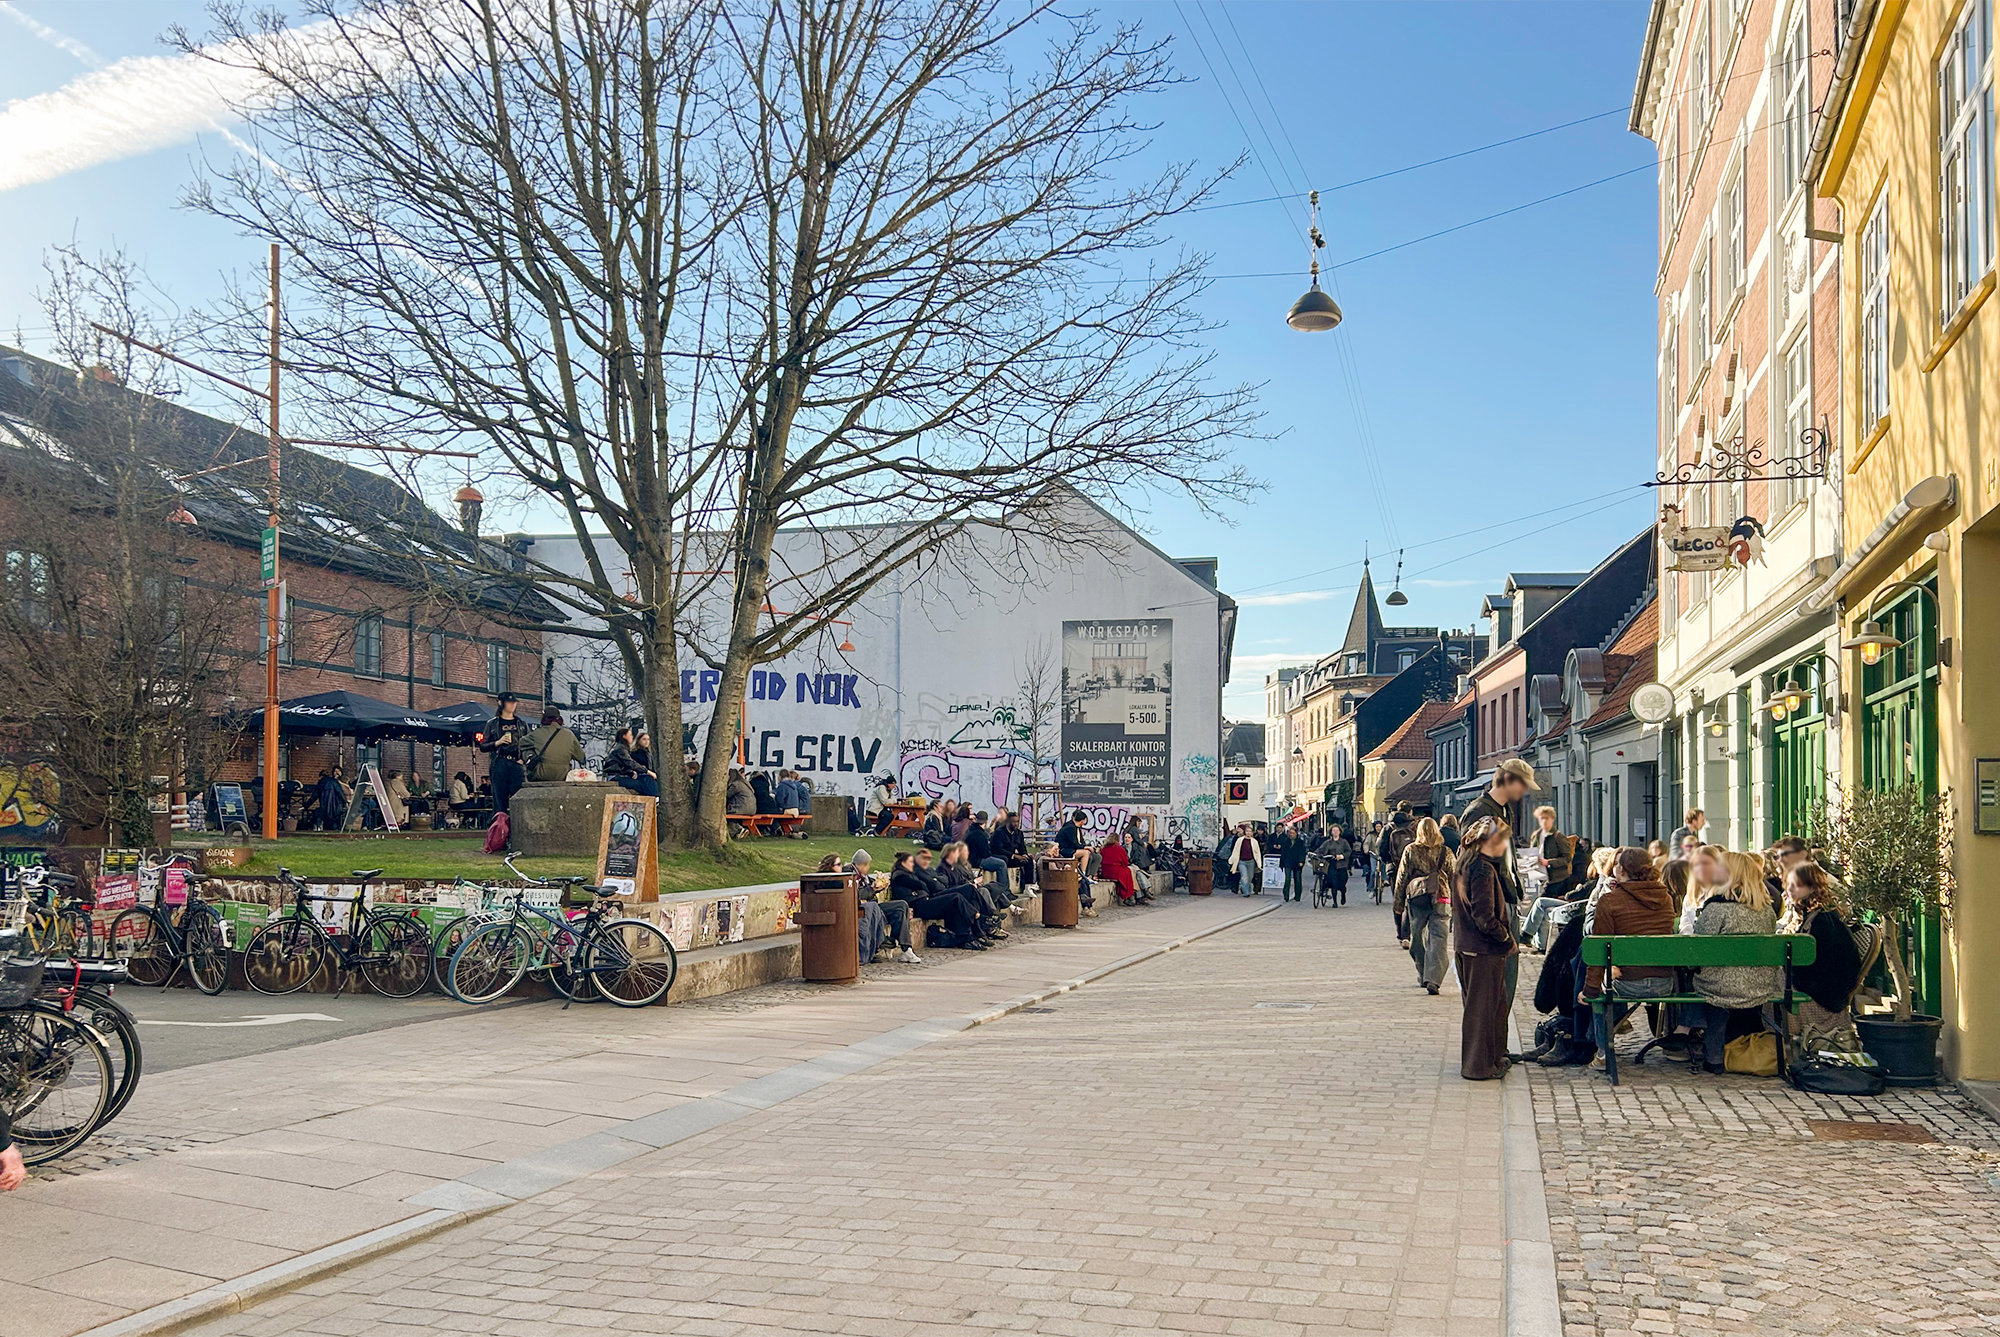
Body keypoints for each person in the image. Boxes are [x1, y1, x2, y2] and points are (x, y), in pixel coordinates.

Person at [1578, 848, 1679, 1068]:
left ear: (1621, 870)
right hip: (1664, 983)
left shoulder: (1609, 901)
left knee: (1603, 989)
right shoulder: (1666, 898)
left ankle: (1603, 1053)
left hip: (1627, 984)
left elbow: (1599, 950)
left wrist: (1590, 991)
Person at [1689, 849, 1782, 1074]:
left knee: (1698, 984)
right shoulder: (1766, 911)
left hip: (1720, 988)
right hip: (1760, 985)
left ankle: (1711, 1055)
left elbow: (1698, 950)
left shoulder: (1716, 909)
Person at [1462, 758, 1537, 1008]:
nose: (1524, 791)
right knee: (1494, 981)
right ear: (1507, 780)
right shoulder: (1479, 811)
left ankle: (1500, 1028)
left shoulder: (1504, 810)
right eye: (1522, 784)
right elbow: (1470, 862)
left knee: (1507, 976)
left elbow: (1506, 858)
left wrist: (1516, 889)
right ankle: (1494, 1030)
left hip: (1507, 896)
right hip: (1492, 901)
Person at [1779, 860, 1868, 1055]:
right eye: (1788, 884)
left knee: (1773, 982)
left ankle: (1769, 1043)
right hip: (1829, 992)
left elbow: (1815, 969)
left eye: (1795, 885)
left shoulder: (1821, 922)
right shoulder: (1821, 915)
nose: (1790, 890)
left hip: (1823, 997)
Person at [1454, 816, 1518, 1080]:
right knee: (1482, 1011)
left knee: (1488, 1008)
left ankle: (1491, 1059)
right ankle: (1478, 1067)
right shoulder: (1481, 869)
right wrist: (1506, 938)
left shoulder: (1464, 864)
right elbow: (1484, 917)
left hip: (1468, 945)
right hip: (1483, 949)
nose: (1504, 846)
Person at [1395, 817, 1453, 994]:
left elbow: (1402, 877)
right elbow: (1455, 877)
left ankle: (1424, 974)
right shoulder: (1446, 852)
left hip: (1417, 898)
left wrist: (1398, 904)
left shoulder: (1411, 850)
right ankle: (1433, 978)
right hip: (1441, 896)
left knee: (1417, 938)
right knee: (1439, 938)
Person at [888, 850, 985, 950]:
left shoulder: (909, 874)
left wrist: (926, 884)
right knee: (956, 897)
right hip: (920, 906)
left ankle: (965, 938)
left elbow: (928, 884)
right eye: (911, 862)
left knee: (957, 903)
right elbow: (920, 884)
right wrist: (924, 884)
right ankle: (977, 916)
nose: (913, 864)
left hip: (925, 900)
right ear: (903, 863)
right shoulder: (900, 875)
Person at [845, 850, 919, 964]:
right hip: (864, 910)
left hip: (873, 907)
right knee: (899, 909)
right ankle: (890, 942)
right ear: (862, 864)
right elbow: (857, 895)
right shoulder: (850, 875)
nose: (869, 868)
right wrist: (873, 889)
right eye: (868, 865)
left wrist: (881, 885)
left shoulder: (863, 876)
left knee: (902, 905)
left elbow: (870, 889)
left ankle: (905, 948)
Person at [476, 692, 529, 817]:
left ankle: (518, 824)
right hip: (500, 762)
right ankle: (500, 825)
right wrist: (497, 743)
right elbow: (483, 746)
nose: (512, 705)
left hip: (516, 763)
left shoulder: (521, 724)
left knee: (518, 798)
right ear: (500, 703)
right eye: (509, 702)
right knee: (499, 800)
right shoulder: (493, 724)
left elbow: (529, 744)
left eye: (514, 703)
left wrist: (523, 759)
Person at [938, 842, 1008, 935]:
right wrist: (973, 883)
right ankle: (991, 915)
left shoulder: (954, 867)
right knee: (982, 891)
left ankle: (986, 927)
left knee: (985, 892)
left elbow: (962, 881)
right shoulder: (943, 868)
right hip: (953, 895)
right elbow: (947, 886)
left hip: (967, 890)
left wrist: (973, 883)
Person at [1379, 806, 1416, 931]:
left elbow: (1381, 848)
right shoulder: (1414, 826)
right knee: (1412, 897)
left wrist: (1388, 861)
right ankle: (1410, 928)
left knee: (1398, 899)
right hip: (1412, 868)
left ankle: (1400, 930)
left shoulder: (1388, 828)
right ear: (1410, 811)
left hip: (1394, 868)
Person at [523, 708, 587, 782]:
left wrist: (529, 756)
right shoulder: (569, 734)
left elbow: (520, 744)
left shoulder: (536, 734)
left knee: (527, 749)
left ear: (543, 719)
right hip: (562, 776)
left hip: (540, 775)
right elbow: (581, 757)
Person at [601, 728, 660, 797]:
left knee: (646, 783)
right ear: (624, 736)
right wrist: (647, 771)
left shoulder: (623, 748)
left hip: (618, 775)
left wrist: (630, 772)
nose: (632, 737)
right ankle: (654, 798)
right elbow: (630, 763)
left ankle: (654, 797)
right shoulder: (620, 749)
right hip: (615, 777)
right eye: (630, 735)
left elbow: (623, 765)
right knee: (642, 784)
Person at [1313, 825, 1352, 905]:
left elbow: (1349, 851)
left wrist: (1342, 856)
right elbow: (1320, 850)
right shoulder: (1327, 842)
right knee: (1333, 883)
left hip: (1341, 865)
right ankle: (1335, 902)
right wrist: (1315, 854)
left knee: (1342, 883)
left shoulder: (1344, 842)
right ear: (1331, 832)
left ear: (1340, 832)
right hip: (1331, 864)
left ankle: (1343, 894)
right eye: (1333, 830)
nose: (1335, 832)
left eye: (1337, 830)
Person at [1099, 832, 1138, 905]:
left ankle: (1131, 896)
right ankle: (1130, 895)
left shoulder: (1103, 849)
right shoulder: (1120, 849)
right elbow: (1125, 862)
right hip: (1116, 871)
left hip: (1105, 872)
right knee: (1128, 871)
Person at [1225, 823, 1262, 897]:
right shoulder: (1240, 840)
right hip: (1242, 862)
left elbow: (1257, 853)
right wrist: (1232, 859)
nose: (1248, 833)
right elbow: (1235, 851)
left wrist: (1259, 863)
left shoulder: (1254, 841)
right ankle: (1246, 892)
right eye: (1247, 831)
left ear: (1252, 833)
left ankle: (1245, 888)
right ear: (1245, 832)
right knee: (1244, 876)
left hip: (1251, 862)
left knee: (1250, 877)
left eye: (1250, 831)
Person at [1278, 824, 1310, 903]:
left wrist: (1301, 861)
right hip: (1288, 862)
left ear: (1296, 833)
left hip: (1297, 862)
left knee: (1297, 879)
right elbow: (1283, 853)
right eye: (1290, 833)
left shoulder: (1300, 842)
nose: (1291, 835)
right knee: (1287, 879)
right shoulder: (1286, 842)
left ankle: (1297, 896)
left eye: (1292, 833)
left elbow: (1302, 852)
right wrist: (1281, 863)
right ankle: (1286, 895)